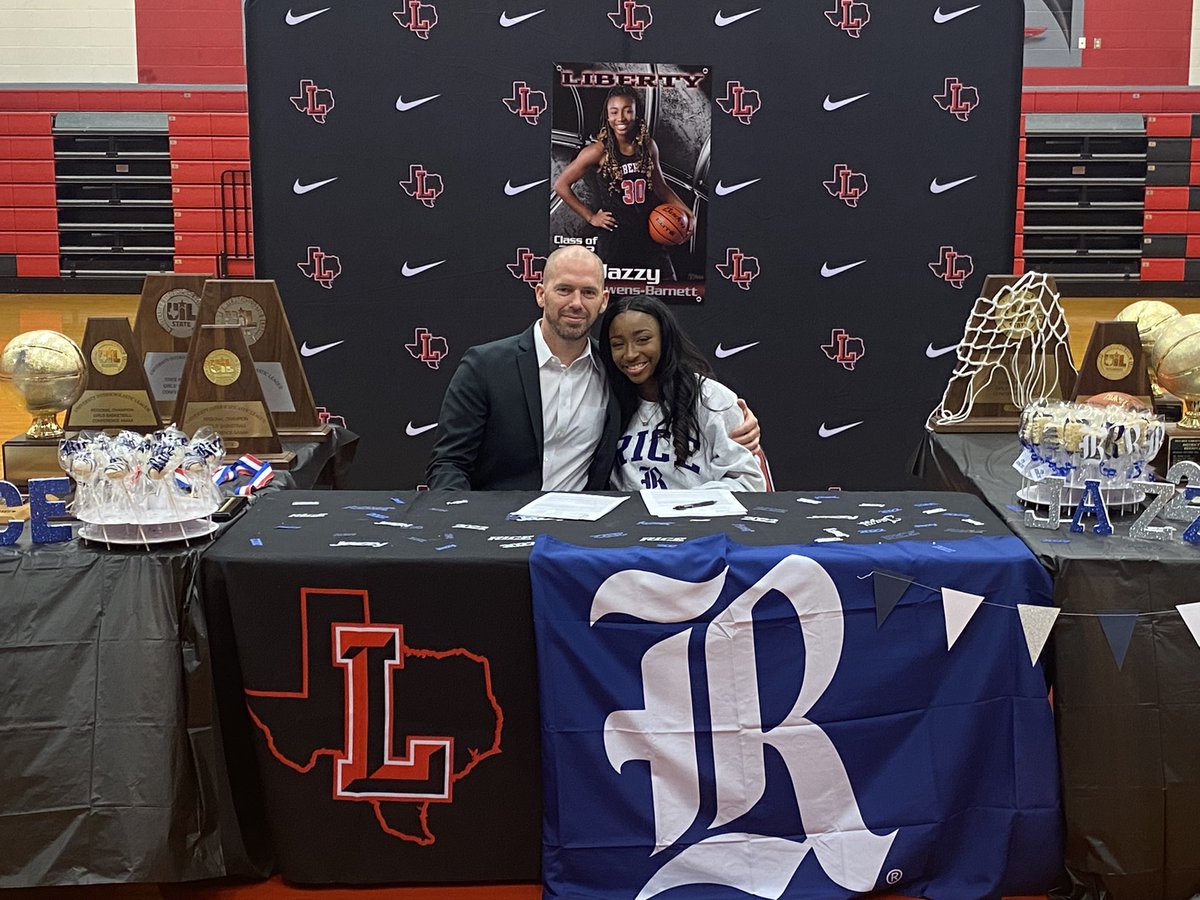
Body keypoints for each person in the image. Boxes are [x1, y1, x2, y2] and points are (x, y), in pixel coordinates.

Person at [425, 246, 758, 491]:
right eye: (564, 290)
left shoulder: (615, 371)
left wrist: (738, 421)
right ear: (541, 294)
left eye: (588, 292)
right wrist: (464, 527)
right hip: (500, 531)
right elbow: (449, 464)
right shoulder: (484, 366)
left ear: (603, 300)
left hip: (583, 540)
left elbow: (677, 402)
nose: (576, 303)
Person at [601, 295, 765, 492]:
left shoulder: (711, 399)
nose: (630, 353)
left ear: (666, 338)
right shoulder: (607, 401)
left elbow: (748, 483)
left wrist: (683, 507)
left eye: (643, 340)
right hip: (630, 521)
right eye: (618, 344)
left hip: (699, 520)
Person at [553, 86, 694, 279]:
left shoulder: (648, 146)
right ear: (608, 117)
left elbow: (660, 187)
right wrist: (591, 217)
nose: (621, 117)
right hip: (614, 238)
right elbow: (561, 185)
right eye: (614, 112)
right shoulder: (598, 151)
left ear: (636, 114)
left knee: (666, 288)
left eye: (628, 110)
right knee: (609, 296)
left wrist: (688, 213)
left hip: (648, 233)